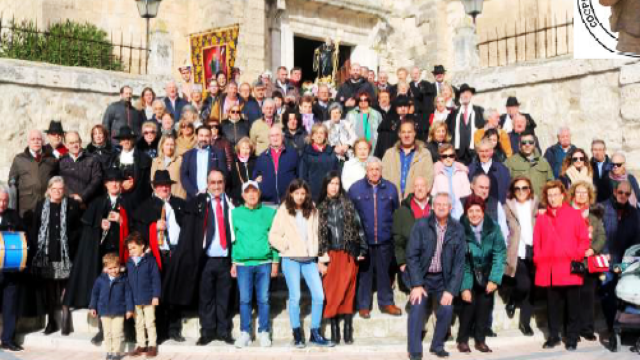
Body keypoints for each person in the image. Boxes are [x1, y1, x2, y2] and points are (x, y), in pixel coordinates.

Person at [62, 169, 135, 345]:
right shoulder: (97, 203)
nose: (115, 184)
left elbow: (136, 226)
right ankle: (103, 331)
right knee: (105, 292)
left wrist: (122, 220)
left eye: (118, 181)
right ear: (105, 184)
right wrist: (98, 225)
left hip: (121, 253)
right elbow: (87, 228)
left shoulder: (129, 202)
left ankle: (127, 330)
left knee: (125, 290)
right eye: (111, 181)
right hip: (102, 255)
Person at [269, 180, 334, 348]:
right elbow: (273, 236)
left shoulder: (312, 209)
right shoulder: (283, 210)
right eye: (296, 193)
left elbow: (318, 235)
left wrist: (321, 259)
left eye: (302, 193)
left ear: (306, 194)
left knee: (319, 296)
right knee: (295, 296)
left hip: (309, 260)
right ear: (291, 194)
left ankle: (315, 332)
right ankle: (297, 333)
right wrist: (287, 246)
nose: (299, 197)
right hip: (291, 259)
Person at [406, 192, 466, 359]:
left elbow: (459, 263)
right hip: (423, 277)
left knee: (447, 308)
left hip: (443, 278)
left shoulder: (458, 229)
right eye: (437, 204)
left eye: (444, 204)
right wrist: (417, 284)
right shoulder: (421, 225)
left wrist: (451, 290)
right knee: (417, 307)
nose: (440, 207)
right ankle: (415, 350)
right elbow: (412, 255)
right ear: (432, 206)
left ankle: (437, 345)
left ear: (450, 207)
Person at [533, 180, 590, 351]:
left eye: (555, 194)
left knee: (573, 306)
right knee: (553, 306)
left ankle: (572, 337)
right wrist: (538, 259)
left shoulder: (574, 214)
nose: (552, 198)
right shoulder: (542, 218)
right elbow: (537, 242)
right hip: (550, 269)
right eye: (549, 195)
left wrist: (577, 255)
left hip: (570, 268)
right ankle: (553, 336)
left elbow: (583, 239)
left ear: (563, 195)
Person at [134, 170, 188, 343]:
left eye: (167, 184)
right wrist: (153, 226)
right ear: (154, 187)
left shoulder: (180, 204)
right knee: (158, 293)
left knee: (175, 292)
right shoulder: (145, 206)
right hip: (157, 255)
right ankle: (160, 331)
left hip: (176, 254)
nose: (164, 188)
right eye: (160, 185)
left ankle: (174, 329)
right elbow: (138, 232)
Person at [317, 172, 367, 344]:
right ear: (326, 185)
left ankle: (347, 328)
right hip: (329, 254)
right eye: (331, 183)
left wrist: (362, 249)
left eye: (337, 183)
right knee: (331, 292)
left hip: (347, 252)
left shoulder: (348, 205)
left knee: (348, 291)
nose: (334, 186)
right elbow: (315, 233)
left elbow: (359, 227)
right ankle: (334, 328)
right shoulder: (319, 207)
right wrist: (318, 256)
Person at [348, 158, 401, 318]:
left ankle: (386, 303)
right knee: (365, 273)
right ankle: (363, 305)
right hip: (364, 240)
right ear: (366, 170)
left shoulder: (391, 189)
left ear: (381, 170)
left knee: (385, 272)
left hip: (385, 239)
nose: (374, 172)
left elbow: (395, 213)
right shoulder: (355, 189)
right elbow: (350, 216)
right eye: (371, 169)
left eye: (377, 169)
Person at [30, 176, 81, 335]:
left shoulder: (72, 205)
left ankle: (66, 317)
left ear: (64, 190)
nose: (57, 192)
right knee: (50, 288)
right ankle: (51, 321)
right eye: (54, 189)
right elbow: (36, 228)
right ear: (49, 190)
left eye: (60, 189)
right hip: (47, 253)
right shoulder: (41, 206)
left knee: (66, 285)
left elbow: (78, 228)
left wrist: (71, 241)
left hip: (66, 252)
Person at [231, 180, 279, 348]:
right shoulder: (235, 213)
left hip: (264, 262)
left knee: (264, 299)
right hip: (243, 264)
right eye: (247, 191)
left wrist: (275, 261)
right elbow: (234, 240)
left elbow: (274, 239)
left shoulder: (269, 213)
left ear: (259, 194)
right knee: (244, 299)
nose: (251, 194)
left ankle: (264, 331)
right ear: (243, 195)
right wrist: (233, 262)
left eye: (254, 191)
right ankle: (245, 332)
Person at [457, 195, 506, 354]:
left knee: (485, 306)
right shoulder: (460, 229)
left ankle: (480, 340)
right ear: (466, 212)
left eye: (478, 210)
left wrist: (494, 279)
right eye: (471, 211)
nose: (474, 214)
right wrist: (464, 287)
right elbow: (460, 261)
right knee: (468, 306)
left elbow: (499, 254)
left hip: (487, 272)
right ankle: (463, 340)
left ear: (483, 211)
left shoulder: (494, 228)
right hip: (468, 271)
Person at [600, 180, 640, 351]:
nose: (623, 196)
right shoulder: (602, 208)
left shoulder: (634, 213)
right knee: (607, 294)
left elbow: (637, 238)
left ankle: (628, 326)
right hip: (607, 260)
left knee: (627, 294)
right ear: (615, 191)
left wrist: (628, 261)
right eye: (620, 192)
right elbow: (597, 233)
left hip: (625, 262)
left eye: (627, 193)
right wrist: (604, 251)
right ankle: (611, 327)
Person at [568, 181, 606, 342]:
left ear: (589, 196)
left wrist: (594, 249)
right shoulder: (568, 213)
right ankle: (573, 331)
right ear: (573, 195)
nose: (581, 195)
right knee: (573, 298)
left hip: (589, 261)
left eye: (585, 193)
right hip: (573, 261)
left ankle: (588, 329)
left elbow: (602, 236)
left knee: (588, 297)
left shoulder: (594, 215)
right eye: (578, 192)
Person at [503, 176, 538, 336]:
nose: (521, 191)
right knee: (524, 285)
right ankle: (512, 298)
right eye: (517, 188)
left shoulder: (537, 205)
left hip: (535, 251)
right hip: (517, 251)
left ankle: (525, 324)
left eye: (524, 188)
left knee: (531, 289)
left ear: (529, 190)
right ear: (513, 191)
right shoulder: (507, 207)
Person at [89, 253, 134, 360]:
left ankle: (116, 353)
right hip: (104, 311)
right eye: (110, 268)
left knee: (117, 333)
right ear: (105, 269)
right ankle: (109, 351)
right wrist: (92, 307)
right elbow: (94, 294)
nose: (113, 270)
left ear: (119, 266)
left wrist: (129, 309)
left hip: (119, 311)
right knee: (107, 333)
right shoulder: (100, 280)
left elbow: (128, 295)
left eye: (115, 267)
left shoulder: (124, 280)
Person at [393, 176, 433, 290]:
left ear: (428, 188)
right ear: (412, 189)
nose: (419, 189)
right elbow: (397, 240)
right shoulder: (402, 211)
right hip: (411, 264)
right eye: (416, 186)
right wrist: (401, 263)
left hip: (433, 265)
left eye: (422, 186)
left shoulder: (436, 207)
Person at [126, 232, 161, 358]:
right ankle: (141, 344)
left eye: (134, 247)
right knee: (138, 323)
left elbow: (156, 279)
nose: (131, 250)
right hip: (135, 300)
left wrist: (156, 296)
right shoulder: (129, 263)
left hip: (148, 298)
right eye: (129, 248)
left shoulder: (150, 261)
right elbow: (128, 283)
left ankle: (152, 345)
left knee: (150, 322)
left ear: (142, 246)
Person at [9, 130, 58, 219]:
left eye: (39, 139)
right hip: (26, 208)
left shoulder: (51, 159)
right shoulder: (19, 159)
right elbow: (12, 180)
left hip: (46, 205)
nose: (36, 141)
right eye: (33, 139)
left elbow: (57, 179)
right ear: (28, 142)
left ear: (43, 142)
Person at [381, 119, 434, 200]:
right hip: (391, 200)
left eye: (409, 132)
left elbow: (428, 178)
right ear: (399, 134)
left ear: (414, 133)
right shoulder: (389, 154)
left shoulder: (424, 154)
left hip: (415, 200)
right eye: (403, 132)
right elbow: (384, 177)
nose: (406, 135)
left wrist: (419, 196)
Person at [0, 187, 25, 351]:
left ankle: (7, 339)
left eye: (5, 201)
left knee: (10, 307)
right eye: (0, 200)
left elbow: (23, 235)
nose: (2, 204)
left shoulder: (13, 215)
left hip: (10, 268)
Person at [253, 125, 299, 205]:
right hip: (267, 202)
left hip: (289, 201)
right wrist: (258, 181)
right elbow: (255, 176)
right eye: (272, 136)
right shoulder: (262, 157)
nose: (275, 138)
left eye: (277, 135)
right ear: (269, 138)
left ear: (283, 137)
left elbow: (299, 175)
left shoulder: (293, 154)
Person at [180, 125, 228, 199]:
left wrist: (210, 190)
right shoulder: (187, 155)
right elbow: (184, 177)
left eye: (206, 136)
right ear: (196, 137)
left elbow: (224, 175)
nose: (203, 139)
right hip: (193, 197)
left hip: (213, 196)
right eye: (201, 135)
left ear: (211, 137)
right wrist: (195, 192)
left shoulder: (219, 153)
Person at [59, 131, 103, 206]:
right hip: (68, 203)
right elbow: (60, 181)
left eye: (76, 142)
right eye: (71, 143)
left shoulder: (92, 159)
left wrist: (82, 197)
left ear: (81, 142)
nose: (75, 145)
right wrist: (72, 196)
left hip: (89, 203)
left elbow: (96, 180)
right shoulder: (61, 161)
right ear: (66, 145)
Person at [111, 126, 152, 206]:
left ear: (133, 140)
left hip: (138, 200)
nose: (126, 141)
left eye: (128, 138)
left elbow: (146, 184)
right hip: (119, 197)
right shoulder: (114, 159)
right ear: (120, 142)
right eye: (123, 139)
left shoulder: (144, 158)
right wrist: (121, 185)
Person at [299, 124, 340, 202]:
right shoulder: (306, 153)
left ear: (325, 136)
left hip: (330, 194)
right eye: (316, 133)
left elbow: (337, 173)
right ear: (312, 136)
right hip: (313, 195)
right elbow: (302, 177)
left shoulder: (331, 153)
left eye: (321, 133)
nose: (319, 136)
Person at [505, 131, 555, 196]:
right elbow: (504, 184)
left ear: (534, 144)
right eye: (524, 143)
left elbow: (551, 183)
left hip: (539, 203)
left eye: (530, 142)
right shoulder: (510, 162)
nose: (527, 145)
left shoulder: (543, 162)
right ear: (519, 144)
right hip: (518, 203)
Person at [446, 84, 485, 165]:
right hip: (458, 153)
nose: (465, 95)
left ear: (471, 95)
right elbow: (447, 130)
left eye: (467, 92)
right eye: (462, 93)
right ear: (460, 95)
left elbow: (484, 130)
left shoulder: (479, 111)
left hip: (475, 153)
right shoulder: (454, 113)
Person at [430, 144, 471, 219]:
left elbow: (467, 193)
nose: (448, 158)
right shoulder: (438, 175)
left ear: (454, 157)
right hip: (443, 211)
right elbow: (434, 196)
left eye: (451, 156)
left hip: (460, 211)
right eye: (444, 156)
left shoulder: (461, 173)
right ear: (441, 158)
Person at [468, 138, 511, 204]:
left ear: (492, 151)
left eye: (487, 151)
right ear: (477, 152)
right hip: (476, 209)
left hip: (495, 209)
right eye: (481, 151)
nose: (484, 154)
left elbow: (507, 191)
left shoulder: (502, 170)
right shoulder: (471, 169)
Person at [151, 135, 186, 199]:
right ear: (162, 146)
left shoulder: (180, 160)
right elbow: (153, 181)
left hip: (178, 197)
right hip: (161, 198)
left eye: (171, 145)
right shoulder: (155, 161)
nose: (169, 147)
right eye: (167, 144)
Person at [228, 137, 257, 206]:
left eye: (247, 148)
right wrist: (234, 195)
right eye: (243, 148)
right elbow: (230, 184)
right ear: (239, 149)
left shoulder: (255, 162)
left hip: (253, 198)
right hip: (238, 199)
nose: (245, 151)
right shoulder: (234, 163)